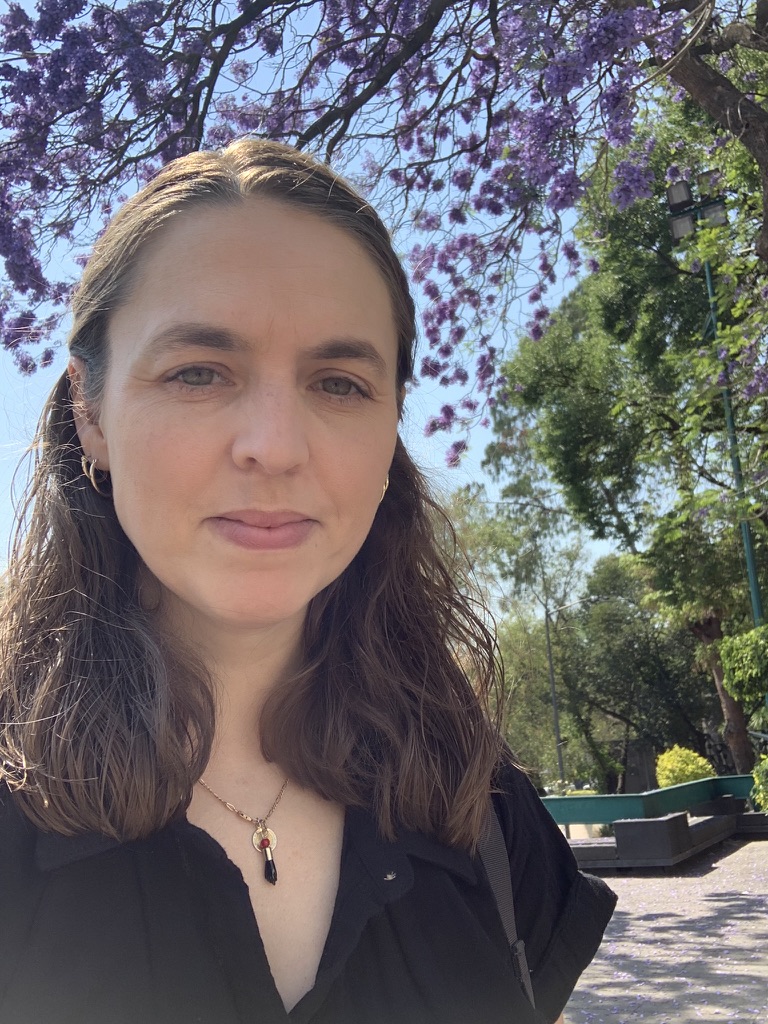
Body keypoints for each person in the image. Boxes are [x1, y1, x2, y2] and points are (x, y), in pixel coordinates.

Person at [0, 139, 615, 1024]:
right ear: (89, 411)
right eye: (199, 373)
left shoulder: (481, 812)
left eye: (339, 383)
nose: (276, 447)